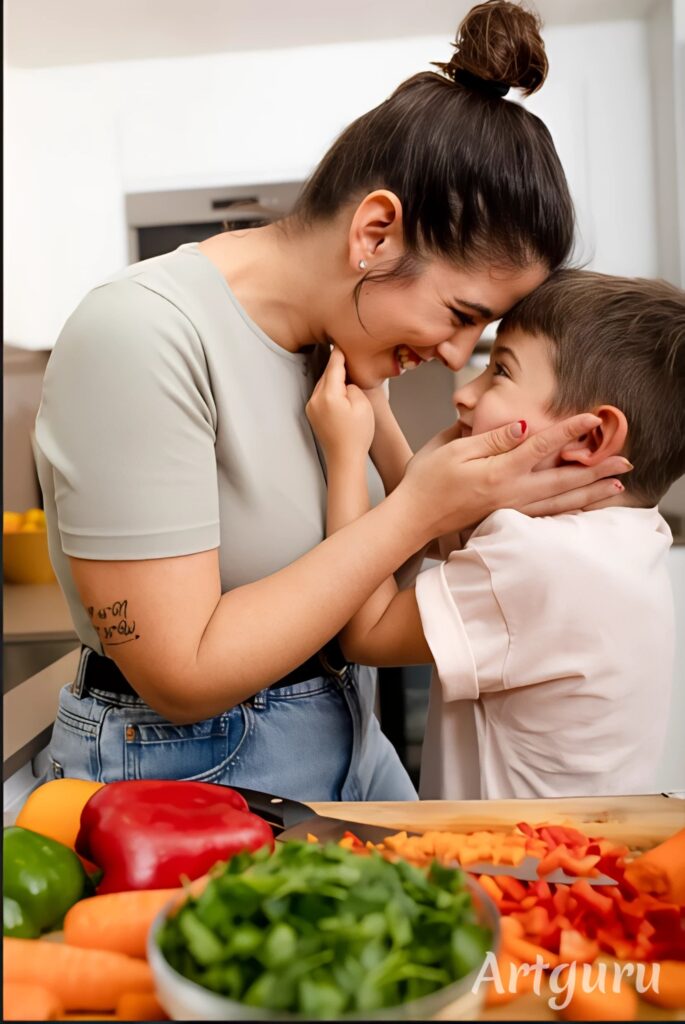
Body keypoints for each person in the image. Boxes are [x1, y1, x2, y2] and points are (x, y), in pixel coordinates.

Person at [34, 1, 630, 800]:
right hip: (190, 770)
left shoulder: (341, 346)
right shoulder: (139, 334)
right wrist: (419, 509)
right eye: (460, 316)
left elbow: (369, 549)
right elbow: (182, 673)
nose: (457, 357)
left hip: (349, 733)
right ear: (375, 234)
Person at [306, 269, 685, 799]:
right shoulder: (624, 536)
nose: (466, 394)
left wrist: (346, 455)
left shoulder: (539, 559)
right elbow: (429, 521)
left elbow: (367, 633)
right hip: (582, 863)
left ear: (591, 436)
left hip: (505, 872)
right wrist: (377, 407)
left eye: (500, 373)